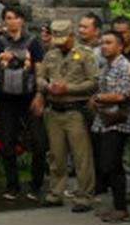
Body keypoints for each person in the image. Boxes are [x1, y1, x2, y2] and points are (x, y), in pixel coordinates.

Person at [37, 19, 98, 211]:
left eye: (64, 39)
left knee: (81, 156)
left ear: (72, 36)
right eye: (57, 39)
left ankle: (85, 195)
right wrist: (47, 87)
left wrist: (68, 88)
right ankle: (56, 192)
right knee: (56, 154)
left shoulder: (85, 55)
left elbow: (93, 82)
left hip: (75, 110)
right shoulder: (51, 55)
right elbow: (39, 76)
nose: (60, 43)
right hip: (54, 110)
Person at [0, 6, 44, 200]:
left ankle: (36, 184)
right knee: (7, 144)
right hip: (6, 98)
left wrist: (40, 94)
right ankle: (12, 185)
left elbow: (39, 69)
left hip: (29, 97)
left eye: (14, 18)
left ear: (21, 20)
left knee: (39, 143)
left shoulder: (34, 42)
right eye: (7, 18)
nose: (10, 22)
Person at [89, 31, 130, 223]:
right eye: (102, 43)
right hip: (104, 120)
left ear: (120, 46)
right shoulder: (107, 66)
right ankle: (117, 205)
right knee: (107, 164)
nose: (104, 46)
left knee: (113, 164)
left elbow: (123, 94)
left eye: (109, 43)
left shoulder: (124, 66)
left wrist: (97, 98)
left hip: (118, 121)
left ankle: (121, 208)